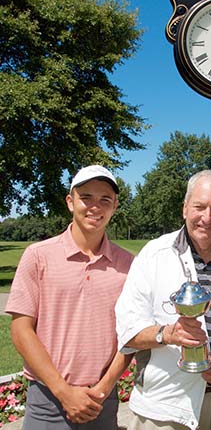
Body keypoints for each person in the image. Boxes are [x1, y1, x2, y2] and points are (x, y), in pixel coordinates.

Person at [115, 169, 211, 430]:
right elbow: (126, 329)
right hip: (165, 409)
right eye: (199, 206)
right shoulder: (155, 254)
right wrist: (168, 334)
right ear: (184, 209)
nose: (207, 217)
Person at [6, 165, 134, 429]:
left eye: (105, 200)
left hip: (102, 399)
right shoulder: (38, 256)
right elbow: (21, 330)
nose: (95, 206)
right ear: (70, 201)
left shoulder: (129, 265)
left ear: (115, 206)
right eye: (86, 197)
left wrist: (104, 388)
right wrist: (63, 392)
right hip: (47, 400)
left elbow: (131, 334)